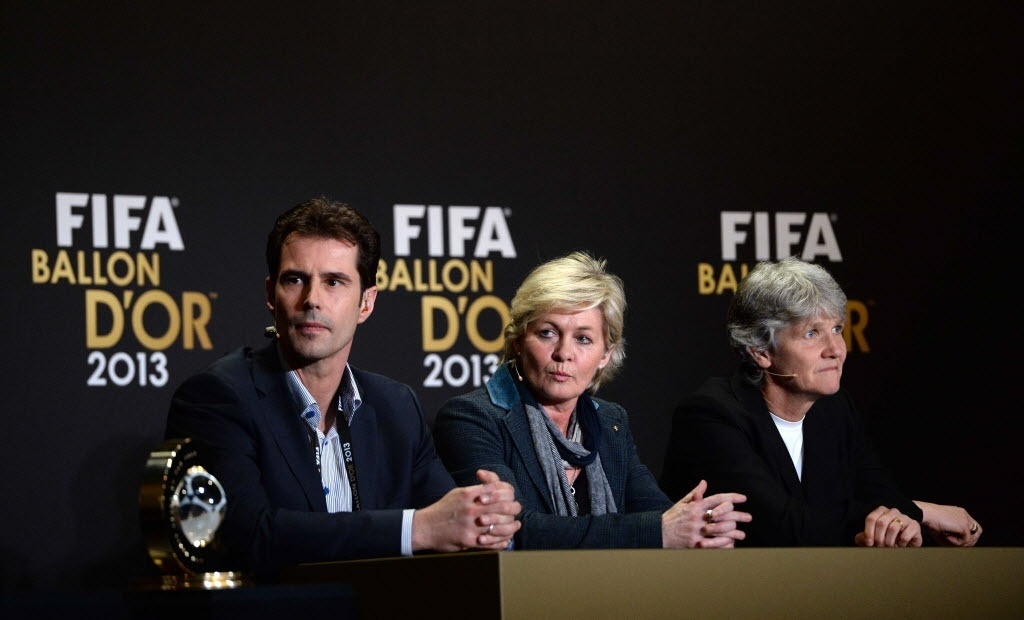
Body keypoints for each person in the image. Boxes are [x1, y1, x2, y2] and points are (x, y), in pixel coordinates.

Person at [164, 197, 521, 581]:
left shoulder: (395, 407)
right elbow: (248, 535)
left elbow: (449, 522)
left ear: (366, 303)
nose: (312, 299)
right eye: (294, 279)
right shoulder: (218, 396)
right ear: (271, 295)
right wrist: (416, 529)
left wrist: (484, 519)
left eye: (334, 282)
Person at [433, 251, 751, 549]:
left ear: (605, 355)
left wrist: (702, 526)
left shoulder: (609, 422)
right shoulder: (471, 418)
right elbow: (514, 531)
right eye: (547, 333)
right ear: (518, 340)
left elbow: (657, 511)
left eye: (583, 339)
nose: (564, 353)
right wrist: (659, 531)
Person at [660, 256, 982, 547]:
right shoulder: (710, 416)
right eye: (812, 334)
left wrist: (899, 518)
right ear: (761, 351)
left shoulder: (834, 410)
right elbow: (784, 528)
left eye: (837, 328)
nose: (836, 349)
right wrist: (919, 513)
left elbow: (882, 495)